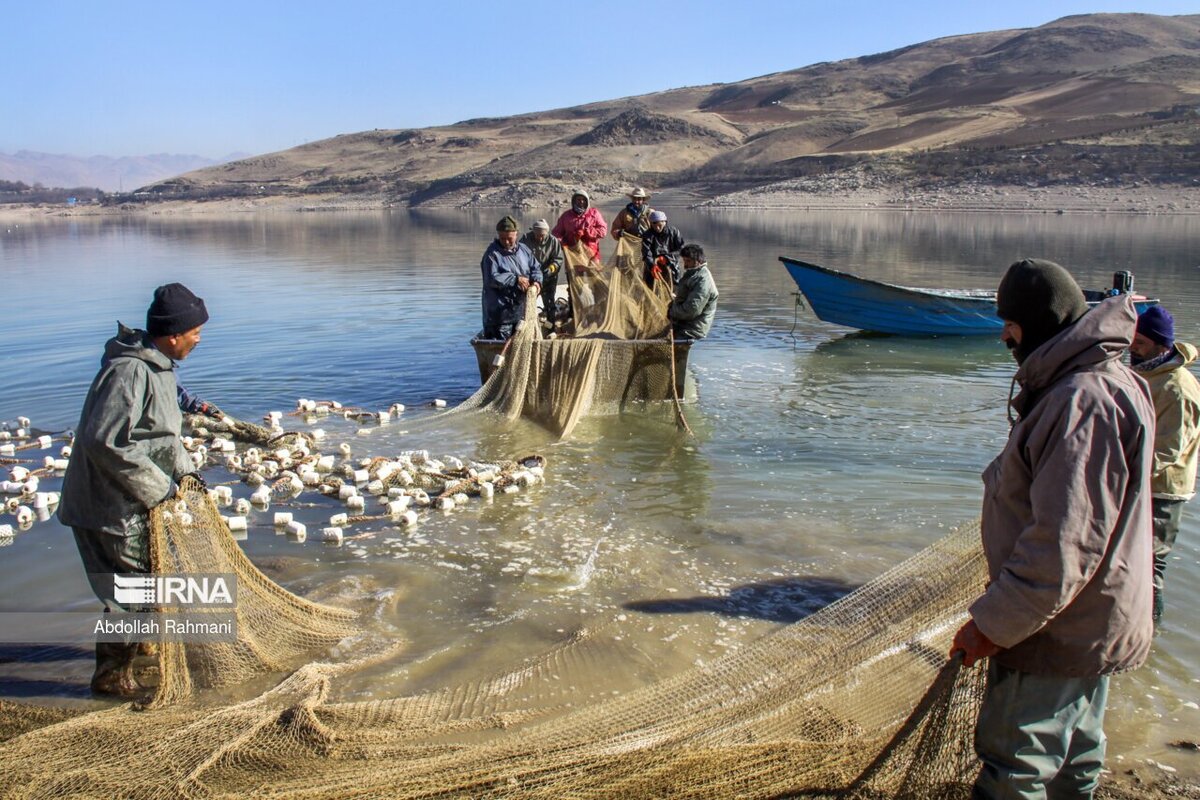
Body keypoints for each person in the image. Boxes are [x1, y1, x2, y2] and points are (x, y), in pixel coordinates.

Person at [950, 259, 1154, 799]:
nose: (1004, 336)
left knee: (1014, 771)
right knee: (1074, 757)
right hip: (1092, 620)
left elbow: (1065, 544)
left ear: (1041, 320)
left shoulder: (1079, 401)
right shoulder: (1115, 380)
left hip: (1054, 632)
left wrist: (993, 625)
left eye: (1010, 323)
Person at [58, 282, 209, 697]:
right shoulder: (128, 371)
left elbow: (162, 435)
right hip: (107, 509)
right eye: (195, 332)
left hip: (125, 504)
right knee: (133, 593)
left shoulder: (158, 367)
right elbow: (104, 440)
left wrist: (188, 475)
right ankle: (110, 679)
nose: (199, 339)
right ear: (174, 334)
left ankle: (138, 651)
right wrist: (160, 488)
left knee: (141, 589)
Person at [1128, 304, 1200, 621]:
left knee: (1151, 563)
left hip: (1163, 492)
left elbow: (1168, 450)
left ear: (1161, 346)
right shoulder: (1148, 374)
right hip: (1141, 482)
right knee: (1132, 561)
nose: (1133, 349)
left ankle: (1150, 632)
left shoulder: (1177, 387)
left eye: (1140, 344)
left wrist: (1122, 474)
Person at [481, 215, 542, 340]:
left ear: (516, 234)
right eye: (503, 238)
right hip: (499, 317)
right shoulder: (492, 255)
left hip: (520, 311)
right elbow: (492, 278)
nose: (506, 242)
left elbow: (536, 268)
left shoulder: (524, 250)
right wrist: (516, 279)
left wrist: (537, 283)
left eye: (510, 238)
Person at [668, 244, 719, 340]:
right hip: (683, 323)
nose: (685, 265)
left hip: (691, 329)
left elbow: (691, 310)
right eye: (684, 261)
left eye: (688, 261)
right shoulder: (693, 274)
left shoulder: (703, 280)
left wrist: (670, 310)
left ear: (698, 261)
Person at [520, 219, 565, 327]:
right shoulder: (526, 239)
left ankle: (551, 327)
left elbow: (558, 259)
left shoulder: (553, 241)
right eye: (537, 235)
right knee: (526, 303)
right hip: (531, 277)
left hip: (549, 277)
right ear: (533, 232)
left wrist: (551, 269)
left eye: (542, 235)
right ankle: (526, 326)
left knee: (549, 303)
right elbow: (519, 257)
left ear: (547, 233)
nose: (539, 238)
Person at [552, 189, 607, 263]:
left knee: (593, 273)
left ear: (587, 201)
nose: (581, 202)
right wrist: (563, 243)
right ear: (574, 201)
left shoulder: (594, 214)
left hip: (592, 253)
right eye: (578, 199)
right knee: (574, 274)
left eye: (583, 200)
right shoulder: (566, 216)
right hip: (572, 253)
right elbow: (556, 233)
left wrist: (587, 232)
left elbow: (603, 231)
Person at [640, 210, 685, 286]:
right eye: (654, 225)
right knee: (650, 287)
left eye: (660, 225)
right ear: (651, 224)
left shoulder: (674, 232)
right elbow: (646, 253)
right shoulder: (647, 235)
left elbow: (681, 249)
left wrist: (667, 258)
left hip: (672, 266)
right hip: (654, 267)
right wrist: (652, 265)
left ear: (665, 222)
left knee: (674, 288)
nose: (657, 228)